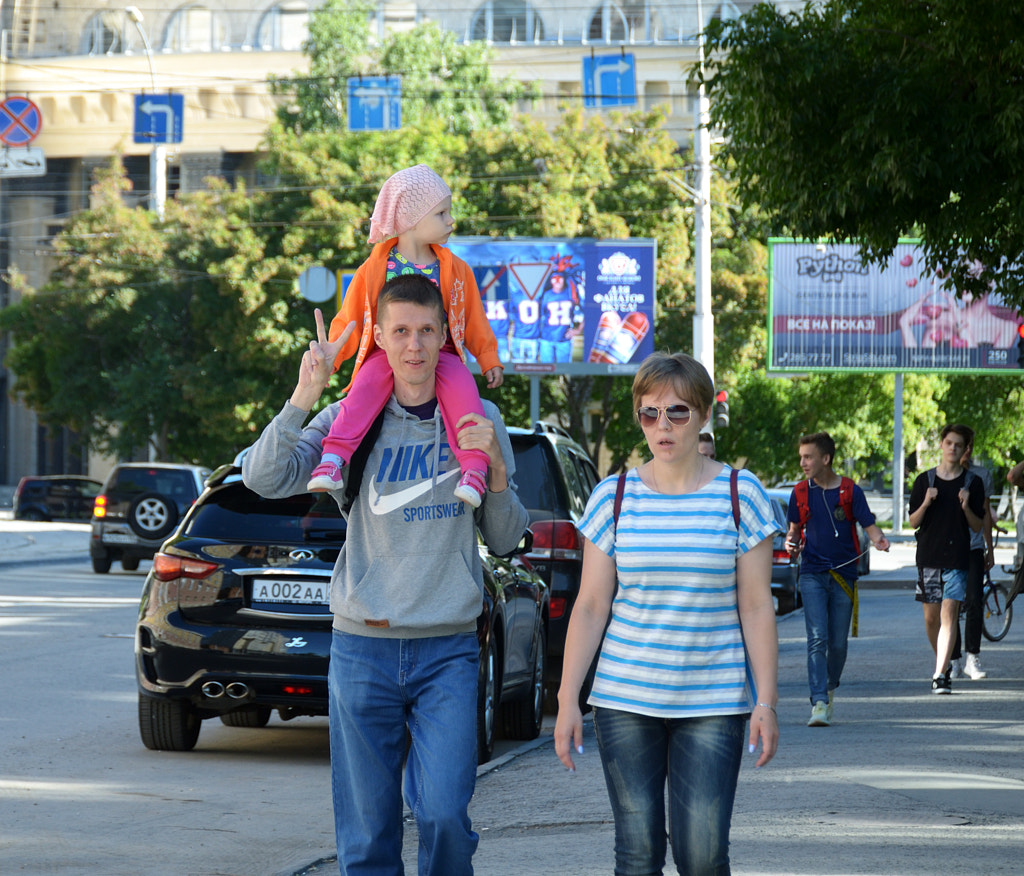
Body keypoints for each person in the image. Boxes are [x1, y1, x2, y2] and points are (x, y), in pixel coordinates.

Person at [242, 274, 528, 876]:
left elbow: (503, 539)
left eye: (427, 331)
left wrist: (496, 467)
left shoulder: (481, 417)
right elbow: (263, 479)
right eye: (400, 331)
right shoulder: (352, 417)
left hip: (446, 651)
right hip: (361, 650)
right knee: (368, 839)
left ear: (445, 334)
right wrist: (303, 396)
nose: (414, 347)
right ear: (380, 335)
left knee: (445, 815)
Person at [554, 351, 779, 876]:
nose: (663, 425)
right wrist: (568, 699)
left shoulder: (739, 494)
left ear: (702, 415)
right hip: (625, 700)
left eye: (677, 412)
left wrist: (765, 700)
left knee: (703, 857)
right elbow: (590, 606)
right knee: (637, 854)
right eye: (650, 413)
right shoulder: (614, 497)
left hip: (714, 701)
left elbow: (756, 605)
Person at [307, 164, 504, 510]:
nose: (450, 221)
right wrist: (333, 356)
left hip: (441, 356)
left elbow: (474, 317)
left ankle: (473, 470)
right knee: (361, 395)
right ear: (413, 218)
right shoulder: (373, 268)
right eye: (441, 213)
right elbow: (350, 317)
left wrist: (488, 358)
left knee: (466, 397)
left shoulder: (456, 270)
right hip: (386, 355)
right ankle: (333, 459)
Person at [785, 433, 890, 727]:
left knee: (838, 645)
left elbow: (869, 527)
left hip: (844, 575)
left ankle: (829, 686)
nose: (803, 462)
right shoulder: (800, 493)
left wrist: (879, 540)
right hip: (812, 573)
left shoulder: (850, 491)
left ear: (826, 459)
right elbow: (795, 529)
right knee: (817, 638)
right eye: (801, 456)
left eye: (808, 457)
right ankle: (819, 700)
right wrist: (791, 541)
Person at [908, 424, 985, 694]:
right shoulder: (924, 481)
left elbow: (977, 526)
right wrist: (926, 502)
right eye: (949, 443)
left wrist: (965, 506)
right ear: (942, 445)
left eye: (958, 445)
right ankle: (946, 660)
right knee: (931, 619)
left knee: (948, 614)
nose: (953, 448)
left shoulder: (972, 484)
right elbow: (913, 521)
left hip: (957, 556)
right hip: (928, 556)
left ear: (965, 451)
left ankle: (940, 674)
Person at [949, 440, 995, 680]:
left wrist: (990, 547)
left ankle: (972, 658)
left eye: (968, 445)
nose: (964, 450)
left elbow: (985, 514)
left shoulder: (981, 476)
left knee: (975, 602)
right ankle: (954, 659)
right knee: (952, 605)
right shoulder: (943, 474)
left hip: (974, 546)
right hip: (950, 548)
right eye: (958, 444)